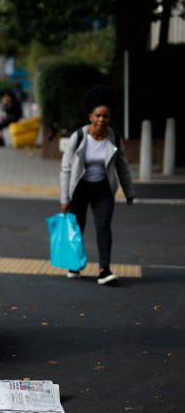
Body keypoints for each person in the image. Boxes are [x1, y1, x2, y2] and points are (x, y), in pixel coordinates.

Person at [60, 85, 136, 285]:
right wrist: (64, 199)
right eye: (98, 116)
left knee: (103, 225)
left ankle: (104, 270)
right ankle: (74, 265)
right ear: (91, 116)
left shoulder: (114, 137)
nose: (102, 119)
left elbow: (122, 166)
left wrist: (129, 191)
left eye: (106, 116)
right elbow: (66, 169)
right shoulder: (78, 136)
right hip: (80, 187)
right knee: (78, 226)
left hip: (102, 187)